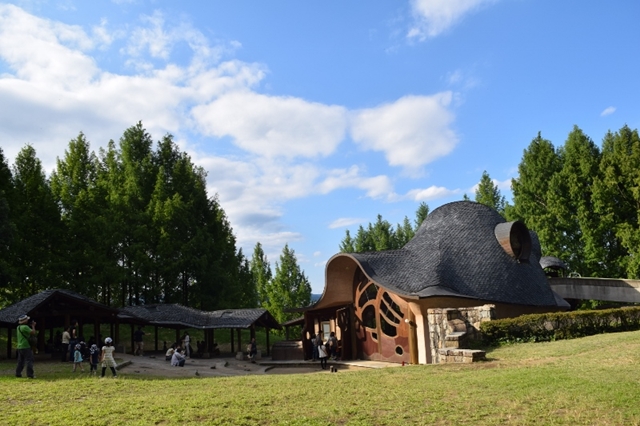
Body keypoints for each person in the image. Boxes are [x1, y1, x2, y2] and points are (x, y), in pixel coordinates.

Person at [15, 314, 36, 379]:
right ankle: (30, 375)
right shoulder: (25, 327)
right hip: (26, 346)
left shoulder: (18, 327)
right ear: (25, 321)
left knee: (20, 361)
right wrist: (33, 326)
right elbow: (33, 333)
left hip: (19, 346)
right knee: (29, 360)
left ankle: (18, 373)